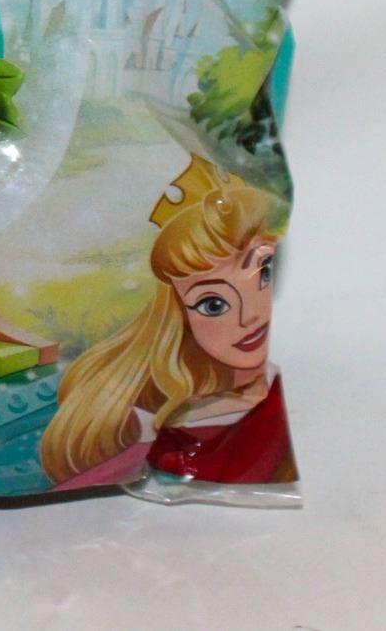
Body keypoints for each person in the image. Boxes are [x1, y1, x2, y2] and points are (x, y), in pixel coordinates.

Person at [39, 156, 297, 488]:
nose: (250, 316)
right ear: (178, 313)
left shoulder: (264, 399)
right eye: (214, 304)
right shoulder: (153, 425)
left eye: (262, 272)